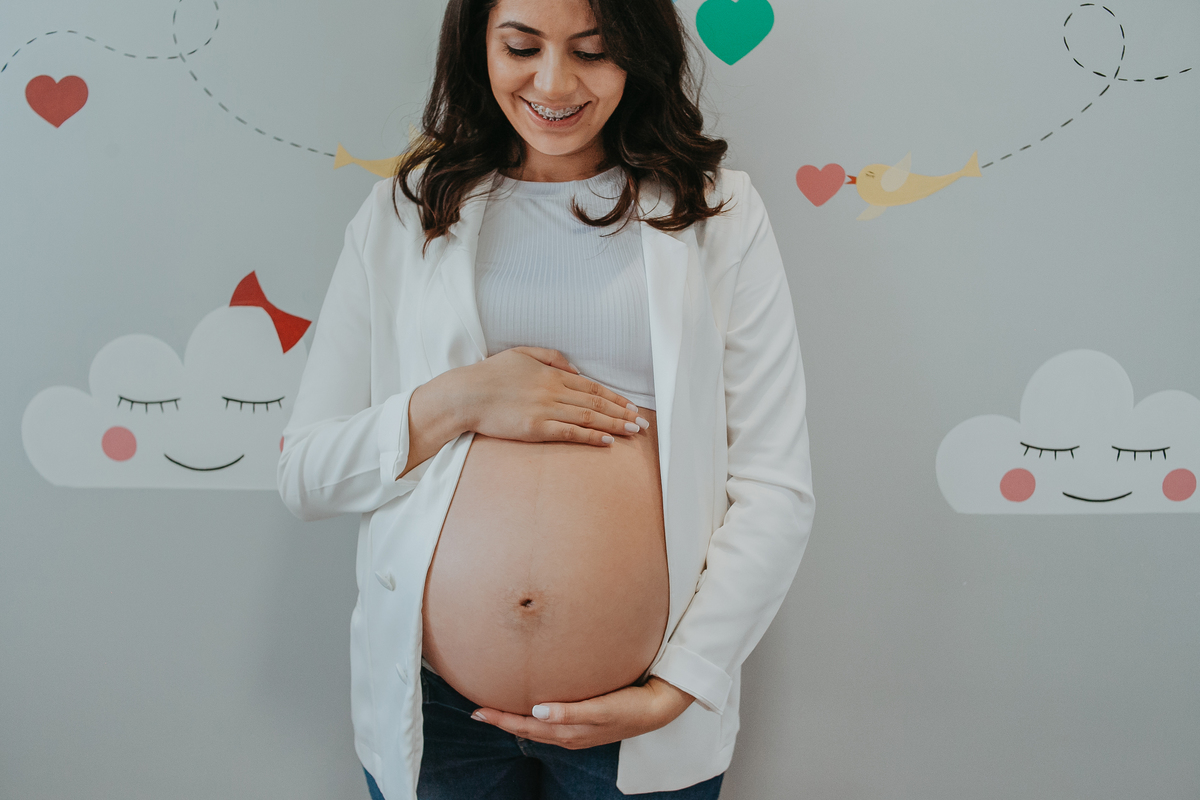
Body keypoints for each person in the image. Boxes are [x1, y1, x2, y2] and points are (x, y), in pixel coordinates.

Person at [276, 0, 815, 797]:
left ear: (638, 56)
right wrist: (460, 400)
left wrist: (677, 686)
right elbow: (306, 475)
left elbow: (773, 485)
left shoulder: (718, 212)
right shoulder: (405, 210)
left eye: (593, 51)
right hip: (438, 715)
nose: (554, 82)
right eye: (521, 47)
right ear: (478, 47)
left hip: (638, 714)